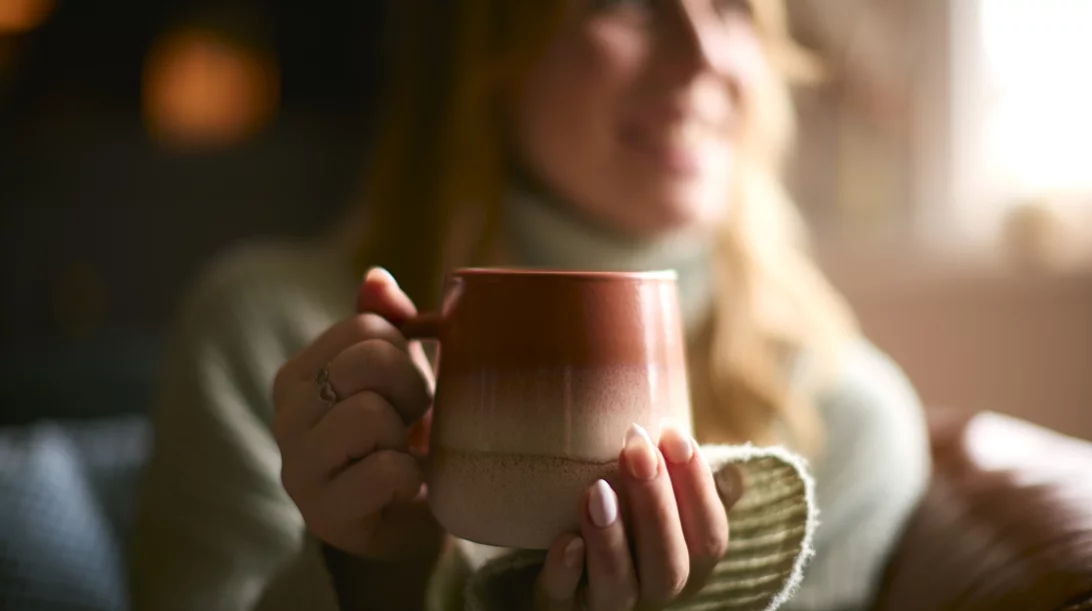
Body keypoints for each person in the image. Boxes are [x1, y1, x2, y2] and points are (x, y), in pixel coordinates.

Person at [127, 1, 930, 610]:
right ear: (489, 45)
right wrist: (370, 576)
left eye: (733, 5)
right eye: (628, 2)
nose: (705, 56)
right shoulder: (273, 337)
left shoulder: (839, 420)